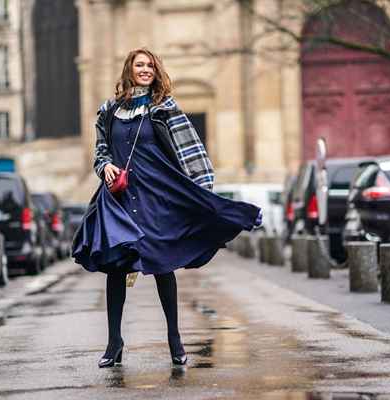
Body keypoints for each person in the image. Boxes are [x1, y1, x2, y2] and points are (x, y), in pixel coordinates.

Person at [72, 48, 261, 368]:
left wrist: (202, 193)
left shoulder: (165, 107)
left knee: (161, 263)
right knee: (116, 267)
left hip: (155, 196)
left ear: (156, 71)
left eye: (150, 66)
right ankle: (114, 343)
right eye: (139, 65)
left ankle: (175, 339)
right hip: (118, 198)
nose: (145, 70)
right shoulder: (109, 110)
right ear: (128, 70)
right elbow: (100, 151)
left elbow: (192, 150)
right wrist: (104, 166)